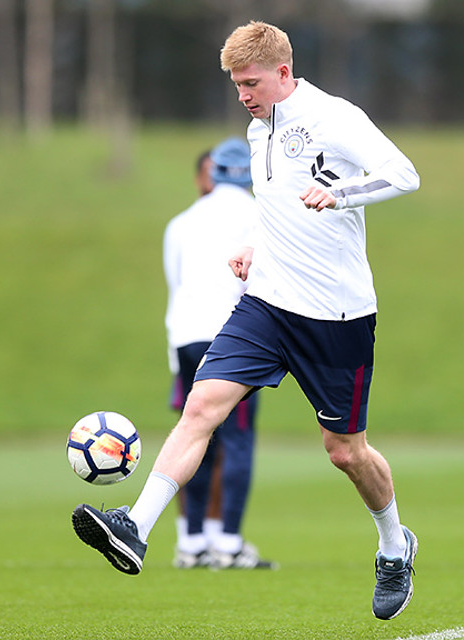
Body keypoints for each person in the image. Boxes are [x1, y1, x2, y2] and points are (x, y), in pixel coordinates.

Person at [72, 21, 421, 620]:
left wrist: (343, 195)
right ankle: (135, 525)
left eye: (251, 82)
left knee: (345, 452)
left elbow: (405, 174)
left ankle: (395, 544)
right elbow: (278, 203)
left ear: (283, 72)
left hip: (335, 315)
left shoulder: (335, 117)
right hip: (265, 304)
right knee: (201, 407)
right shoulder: (258, 132)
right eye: (236, 85)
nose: (243, 95)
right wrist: (256, 243)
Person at [164, 140, 274, 570]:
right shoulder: (258, 214)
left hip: (186, 336)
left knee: (195, 436)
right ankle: (226, 542)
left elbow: (176, 285)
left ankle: (191, 543)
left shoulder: (180, 222)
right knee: (238, 439)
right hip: (235, 338)